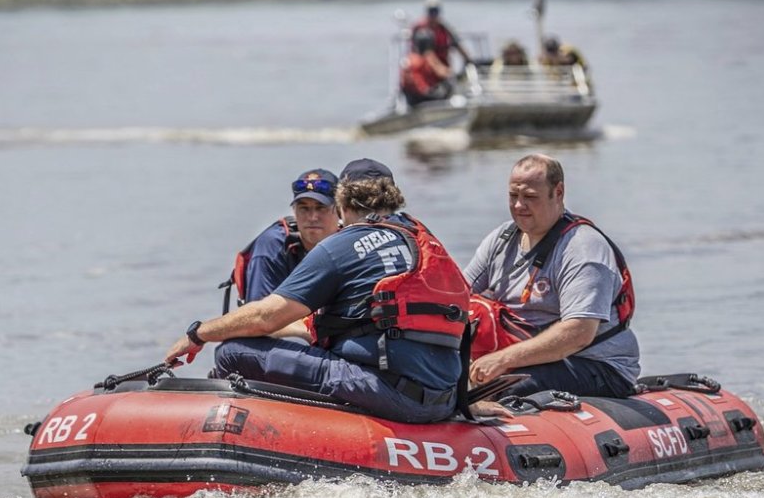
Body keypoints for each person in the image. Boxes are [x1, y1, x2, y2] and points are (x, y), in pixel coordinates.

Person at [167, 158, 470, 424]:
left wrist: (199, 334)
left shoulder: (342, 245)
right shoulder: (423, 240)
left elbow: (265, 316)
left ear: (341, 204)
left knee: (232, 353)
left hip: (388, 392)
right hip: (443, 398)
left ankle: (248, 429)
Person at [463, 153, 639, 402]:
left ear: (558, 192)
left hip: (593, 363)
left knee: (500, 391)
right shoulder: (501, 239)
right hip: (522, 354)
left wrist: (502, 359)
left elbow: (578, 333)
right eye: (513, 196)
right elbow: (457, 296)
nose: (518, 206)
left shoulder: (583, 248)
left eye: (530, 197)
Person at [219, 168, 340, 313]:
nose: (312, 217)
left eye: (321, 208)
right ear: (294, 211)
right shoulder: (272, 246)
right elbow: (257, 317)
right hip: (286, 330)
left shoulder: (352, 242)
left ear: (339, 210)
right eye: (304, 208)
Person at [411, 0, 473, 69]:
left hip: (443, 63)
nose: (433, 15)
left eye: (435, 11)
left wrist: (468, 60)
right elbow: (421, 52)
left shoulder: (444, 28)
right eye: (431, 12)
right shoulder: (420, 28)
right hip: (425, 66)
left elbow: (456, 43)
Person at [399, 28, 452, 107]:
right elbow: (443, 74)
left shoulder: (409, 58)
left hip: (411, 99)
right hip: (424, 96)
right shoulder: (427, 58)